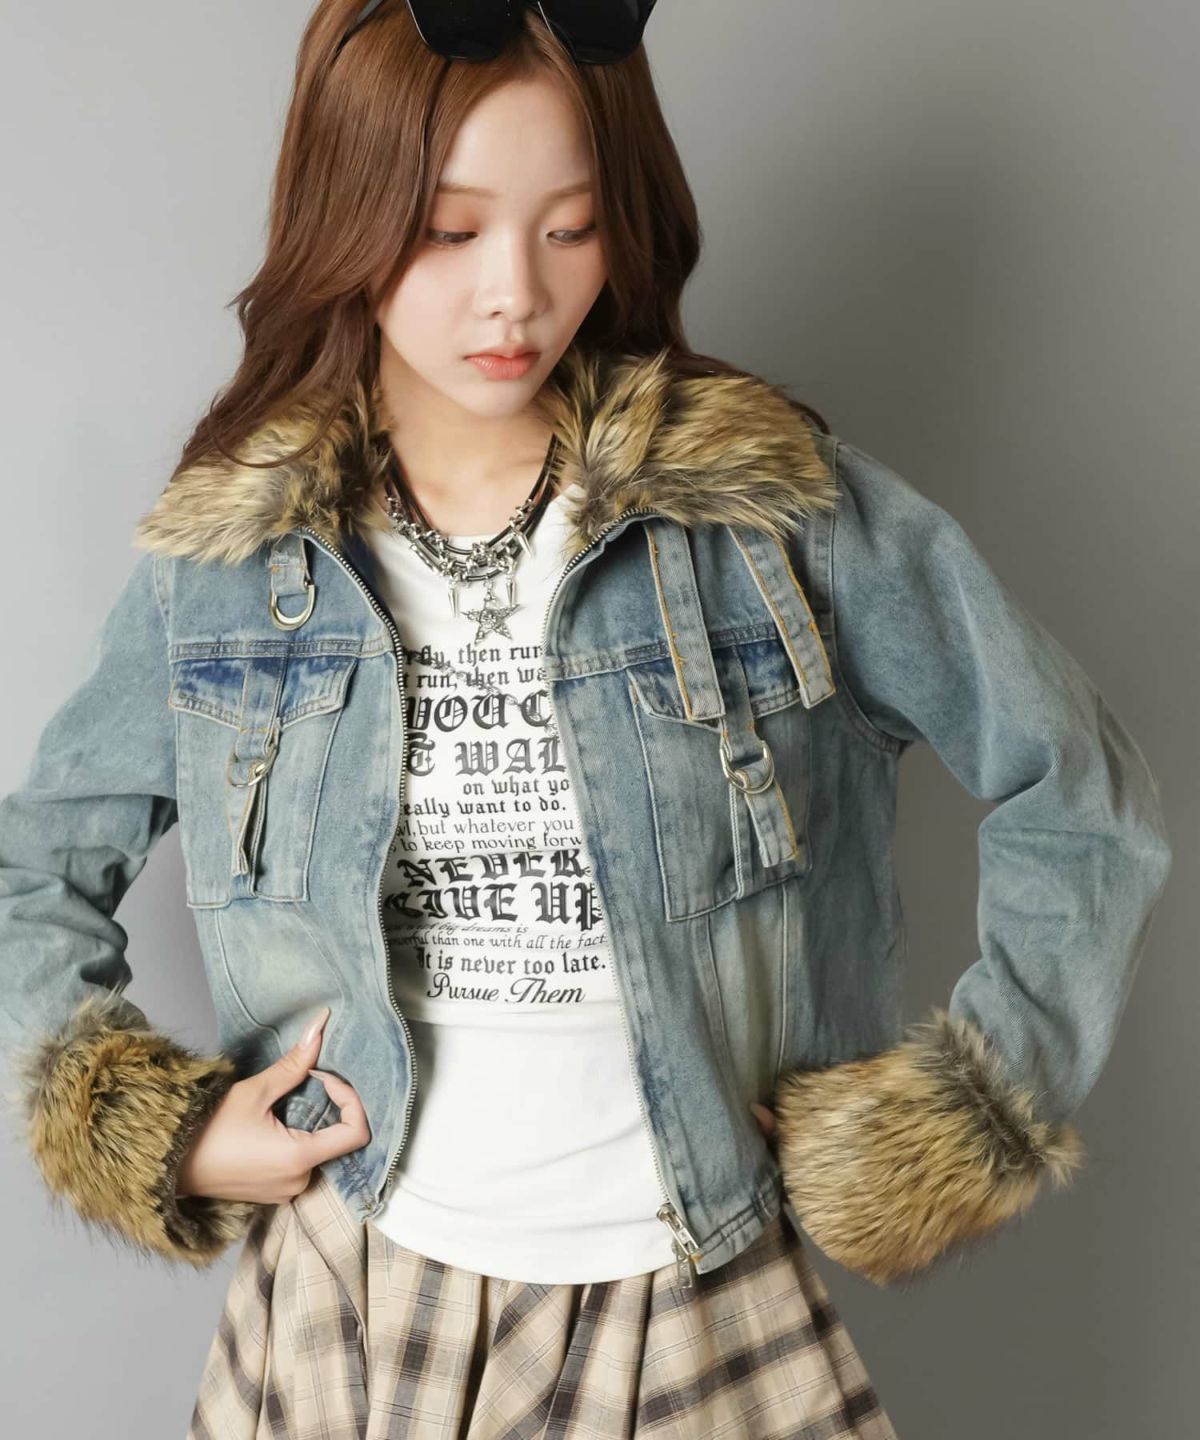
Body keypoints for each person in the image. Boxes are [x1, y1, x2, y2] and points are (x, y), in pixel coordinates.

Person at [0, 3, 1172, 1436]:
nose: (515, 295)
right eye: (449, 231)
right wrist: (169, 1137)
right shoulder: (236, 567)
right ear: (347, 219)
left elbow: (1082, 799)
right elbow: (30, 869)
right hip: (356, 1286)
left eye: (570, 227)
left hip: (692, 1290)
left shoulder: (767, 516)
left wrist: (962, 1111)